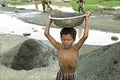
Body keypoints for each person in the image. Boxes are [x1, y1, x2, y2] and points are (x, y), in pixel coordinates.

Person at [44, 12, 91, 80]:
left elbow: (85, 36)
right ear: (61, 39)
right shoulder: (59, 48)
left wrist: (86, 18)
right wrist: (50, 20)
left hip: (72, 76)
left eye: (68, 40)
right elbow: (46, 33)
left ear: (74, 39)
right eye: (64, 39)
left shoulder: (76, 48)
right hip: (61, 75)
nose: (66, 42)